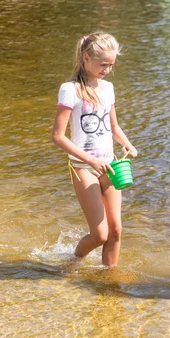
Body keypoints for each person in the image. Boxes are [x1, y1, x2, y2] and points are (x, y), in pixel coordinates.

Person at [52, 31, 137, 267]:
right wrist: (90, 161)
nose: (107, 70)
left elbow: (113, 126)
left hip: (109, 165)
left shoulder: (107, 88)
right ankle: (70, 263)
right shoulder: (70, 90)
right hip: (83, 167)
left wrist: (126, 143)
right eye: (103, 64)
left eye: (111, 65)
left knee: (116, 231)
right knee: (100, 234)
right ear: (87, 57)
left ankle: (109, 281)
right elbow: (58, 137)